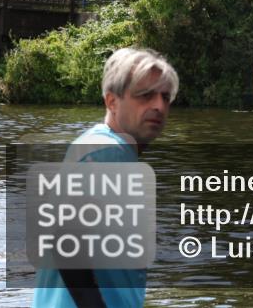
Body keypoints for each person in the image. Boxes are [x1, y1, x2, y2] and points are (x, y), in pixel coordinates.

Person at [33, 48, 179, 308]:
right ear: (112, 101)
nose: (159, 105)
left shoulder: (97, 145)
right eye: (145, 95)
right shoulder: (106, 152)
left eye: (165, 97)